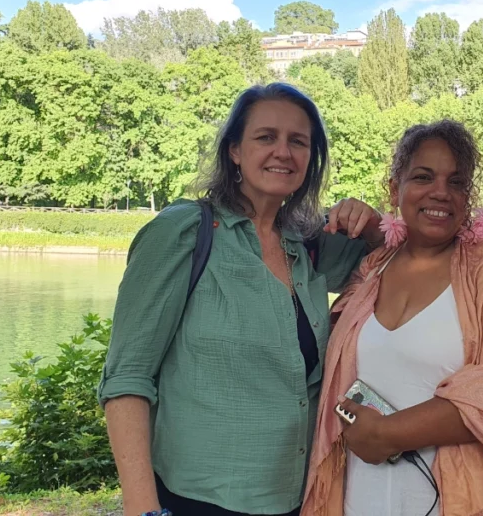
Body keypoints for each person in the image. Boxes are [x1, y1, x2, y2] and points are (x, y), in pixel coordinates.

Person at [99, 83, 383, 516]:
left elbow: (400, 260)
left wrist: (371, 222)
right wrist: (143, 509)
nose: (283, 152)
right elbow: (126, 378)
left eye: (298, 141)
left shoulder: (307, 243)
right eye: (266, 137)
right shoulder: (185, 233)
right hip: (196, 501)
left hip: (295, 498)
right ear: (234, 150)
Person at [301, 120, 483, 516]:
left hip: (473, 494)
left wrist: (388, 433)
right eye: (423, 177)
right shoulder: (373, 268)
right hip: (372, 489)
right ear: (394, 189)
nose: (441, 192)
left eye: (456, 182)